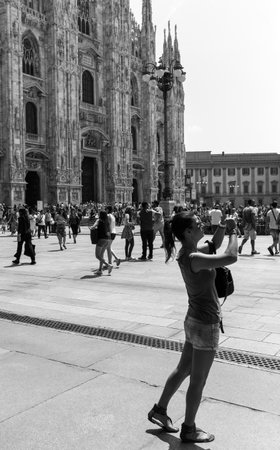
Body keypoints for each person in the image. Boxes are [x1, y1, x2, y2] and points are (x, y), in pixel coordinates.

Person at [148, 211, 237, 444]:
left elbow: (215, 244)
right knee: (198, 380)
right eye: (198, 224)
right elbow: (230, 256)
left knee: (183, 370)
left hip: (193, 320)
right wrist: (235, 233)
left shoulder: (188, 253)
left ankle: (160, 409)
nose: (202, 225)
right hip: (206, 323)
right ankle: (189, 428)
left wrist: (223, 226)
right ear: (188, 232)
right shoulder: (194, 258)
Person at [92, 210, 112, 275]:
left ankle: (108, 265)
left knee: (97, 255)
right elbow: (109, 231)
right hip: (107, 239)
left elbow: (93, 226)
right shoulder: (107, 221)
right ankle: (100, 270)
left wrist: (92, 227)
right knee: (101, 255)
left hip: (101, 239)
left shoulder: (99, 220)